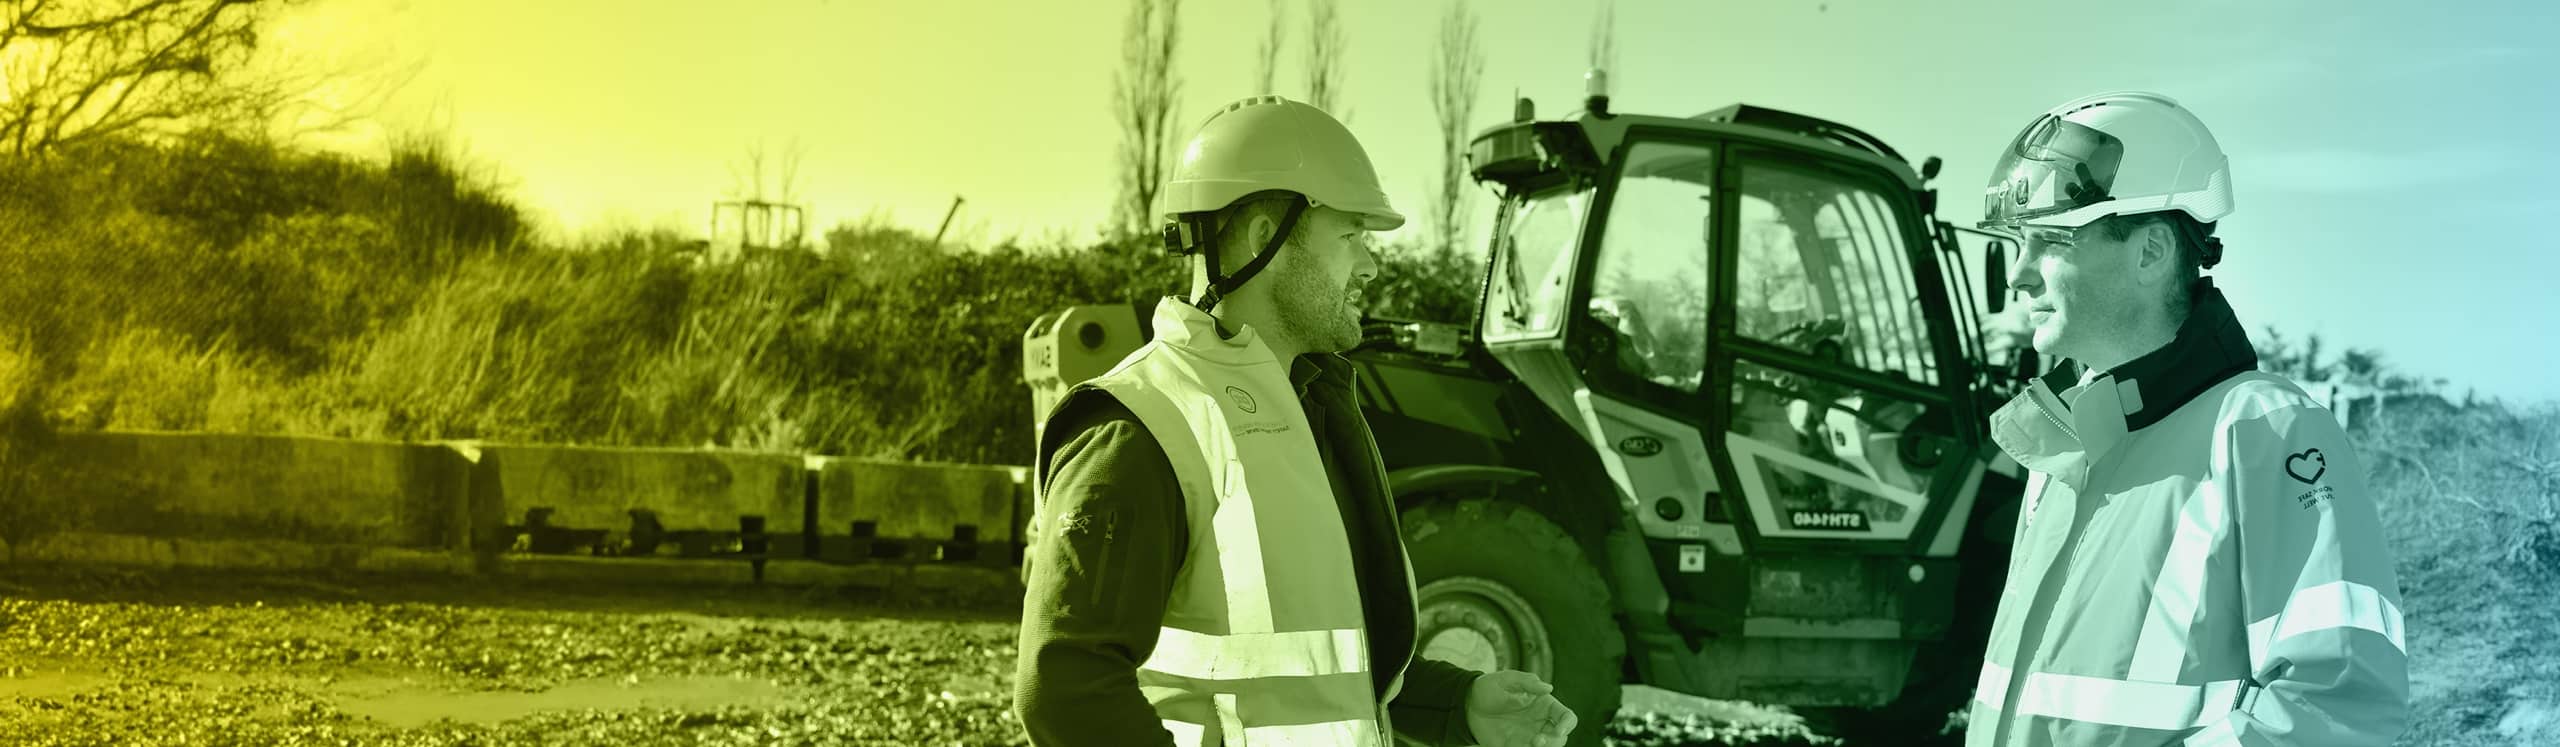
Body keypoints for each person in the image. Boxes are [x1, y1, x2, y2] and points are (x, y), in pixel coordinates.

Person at [1012, 95, 1578, 747]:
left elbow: (1311, 671)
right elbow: (1065, 691)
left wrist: (1458, 703)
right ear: (1264, 237)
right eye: (1350, 236)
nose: (1370, 264)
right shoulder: (1139, 424)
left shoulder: (1314, 408)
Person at [1965, 91, 2409, 746]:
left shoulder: (2266, 433)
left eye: (2050, 241)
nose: (2019, 276)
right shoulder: (2061, 450)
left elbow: (2336, 709)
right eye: (2016, 244)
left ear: (2150, 253)